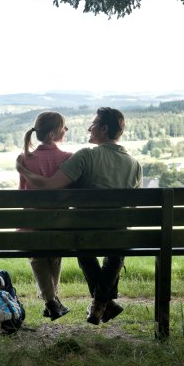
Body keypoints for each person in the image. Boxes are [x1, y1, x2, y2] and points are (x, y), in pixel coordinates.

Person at [16, 107, 142, 325]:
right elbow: (132, 208)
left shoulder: (86, 155)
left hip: (86, 236)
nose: (88, 127)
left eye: (93, 124)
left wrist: (24, 170)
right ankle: (103, 303)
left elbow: (50, 186)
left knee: (84, 249)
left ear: (103, 129)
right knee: (115, 250)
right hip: (118, 236)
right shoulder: (135, 164)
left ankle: (100, 304)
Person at [18, 111, 73, 321]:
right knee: (54, 255)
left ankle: (51, 302)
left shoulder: (24, 159)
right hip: (60, 226)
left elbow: (22, 195)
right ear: (52, 134)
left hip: (32, 226)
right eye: (63, 127)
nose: (66, 130)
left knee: (37, 256)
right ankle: (52, 301)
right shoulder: (67, 158)